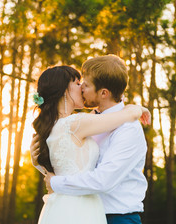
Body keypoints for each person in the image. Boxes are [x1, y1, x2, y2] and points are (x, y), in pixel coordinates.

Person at [31, 55, 149, 224]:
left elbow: (104, 180)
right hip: (79, 212)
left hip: (118, 217)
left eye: (85, 85)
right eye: (79, 84)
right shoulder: (83, 123)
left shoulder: (128, 129)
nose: (81, 89)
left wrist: (56, 183)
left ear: (103, 93)